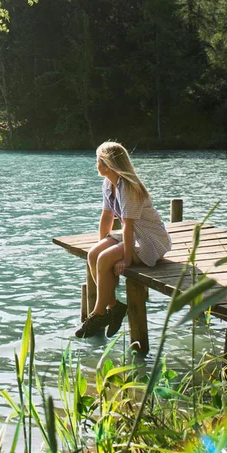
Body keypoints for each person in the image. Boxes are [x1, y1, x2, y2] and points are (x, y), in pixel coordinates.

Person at [75, 141, 171, 338]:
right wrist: (102, 243)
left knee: (104, 259)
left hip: (149, 237)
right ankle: (114, 307)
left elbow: (127, 225)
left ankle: (99, 313)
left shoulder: (128, 186)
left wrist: (126, 259)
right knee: (94, 255)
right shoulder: (108, 183)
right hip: (133, 233)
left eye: (99, 160)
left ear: (109, 164)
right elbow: (107, 216)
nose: (96, 165)